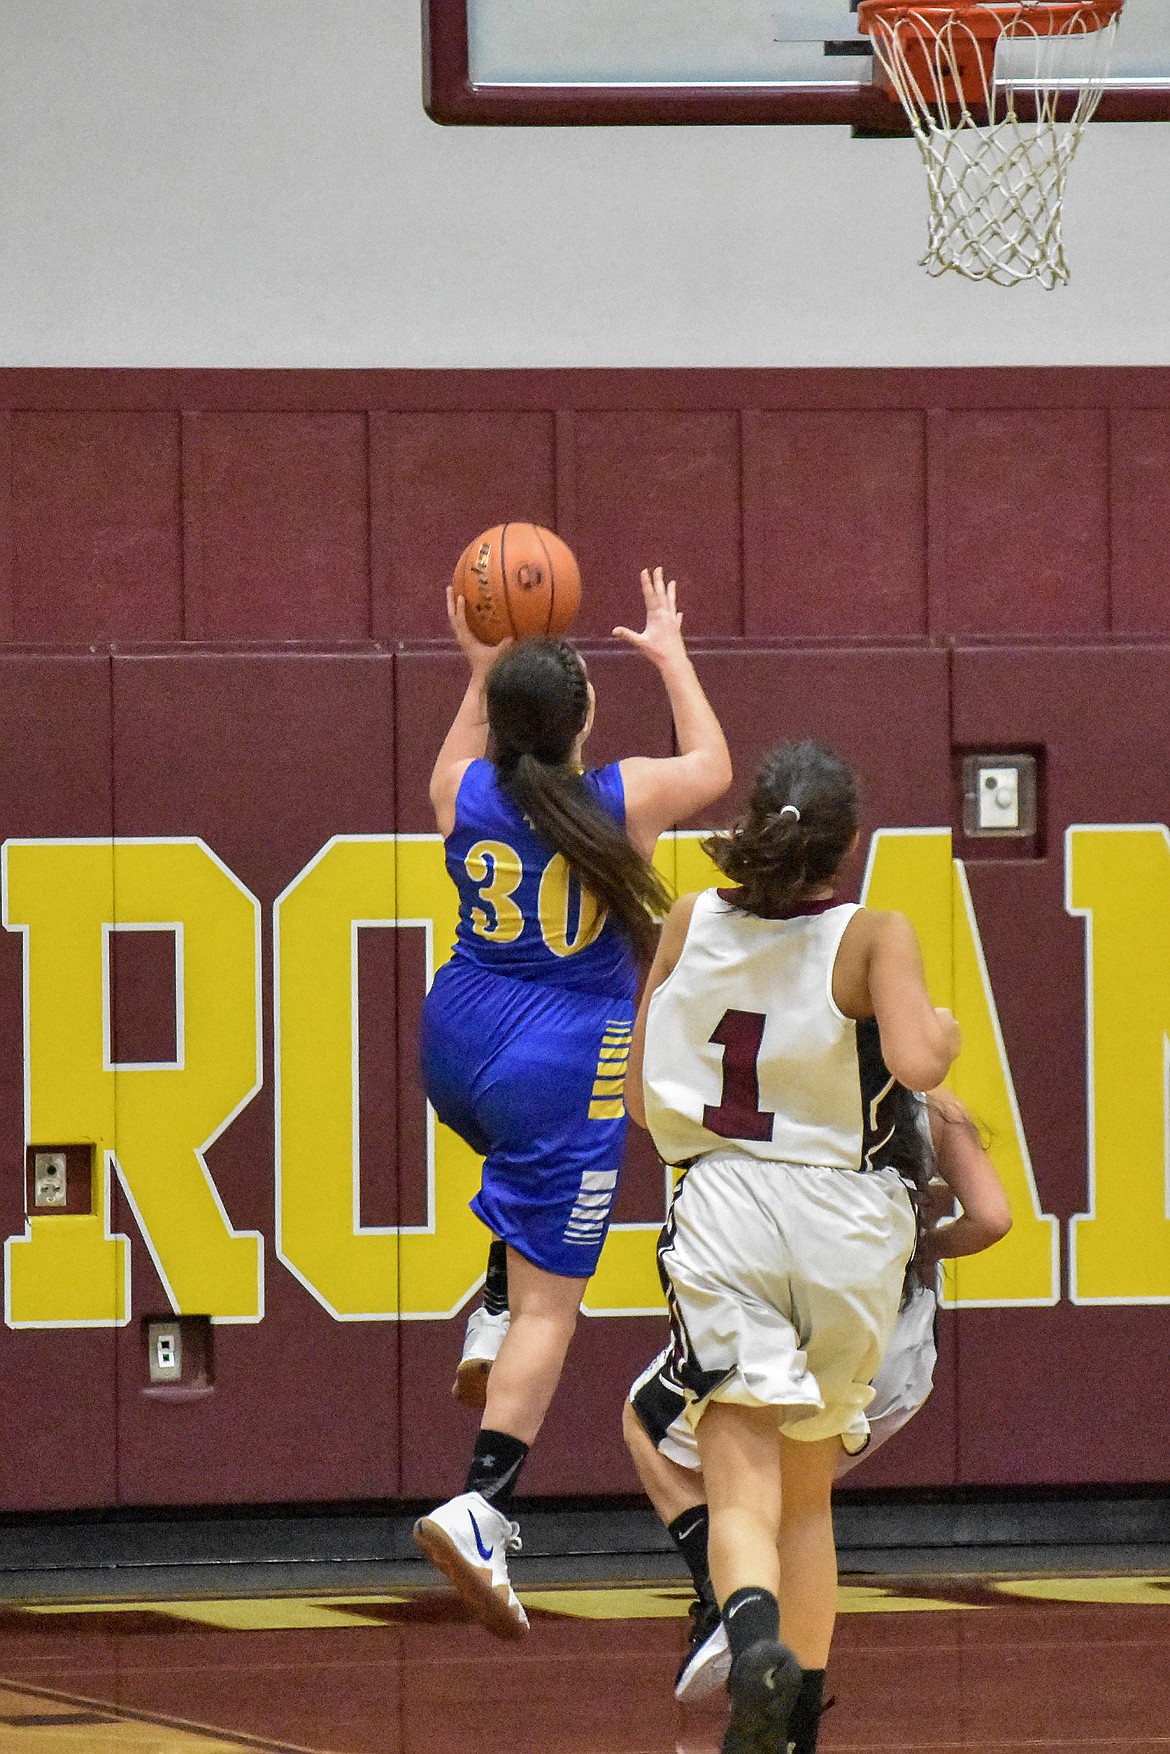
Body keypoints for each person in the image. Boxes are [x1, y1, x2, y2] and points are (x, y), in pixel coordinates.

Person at [413, 565, 732, 1638]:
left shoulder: (463, 792)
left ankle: (492, 1303)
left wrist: (481, 665)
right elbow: (717, 766)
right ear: (587, 716)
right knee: (559, 1303)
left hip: (455, 1042)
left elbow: (463, 748)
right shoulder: (624, 796)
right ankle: (483, 1503)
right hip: (560, 1059)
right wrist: (673, 651)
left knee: (517, 1206)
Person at [625, 738, 962, 1754]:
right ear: (846, 843)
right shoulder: (874, 934)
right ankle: (797, 1723)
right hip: (852, 1224)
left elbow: (644, 1091)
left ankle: (754, 1636)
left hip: (727, 1204)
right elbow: (915, 1060)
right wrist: (939, 1030)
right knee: (808, 1495)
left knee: (741, 1482)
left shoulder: (690, 917)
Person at [623, 1077, 1011, 1705]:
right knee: (802, 1510)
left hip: (805, 1298)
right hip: (895, 1349)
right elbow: (993, 1218)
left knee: (662, 1434)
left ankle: (727, 1602)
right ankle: (796, 1715)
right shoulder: (937, 1110)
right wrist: (916, 1251)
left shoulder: (796, 1090)